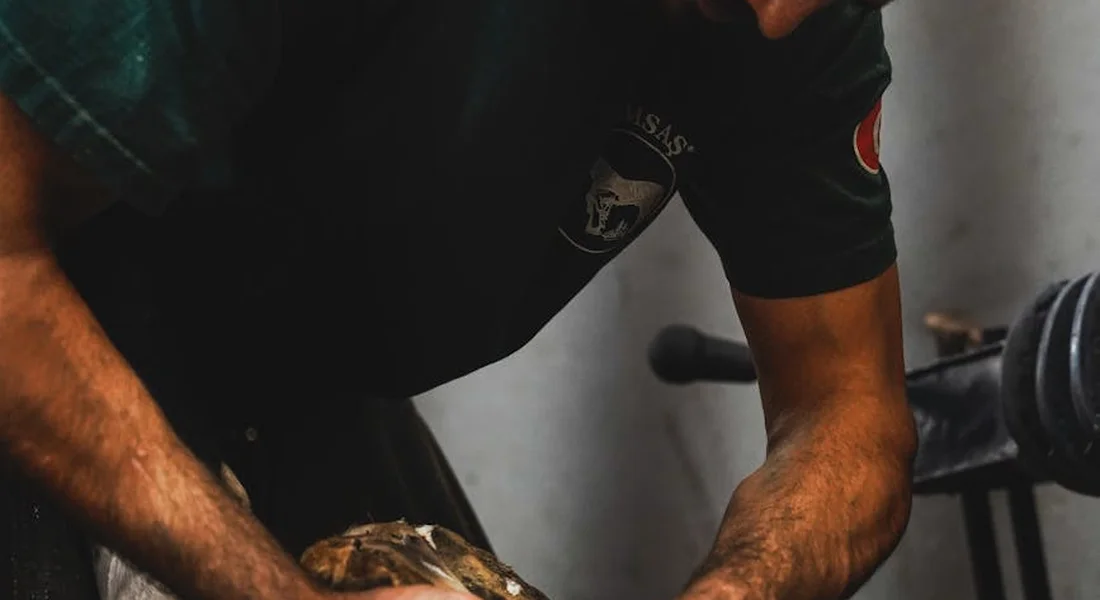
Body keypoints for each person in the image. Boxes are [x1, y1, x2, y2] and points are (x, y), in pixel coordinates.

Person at [0, 0, 915, 599]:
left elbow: (849, 413)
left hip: (297, 370)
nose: (783, 13)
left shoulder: (795, 17)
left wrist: (735, 591)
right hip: (59, 317)